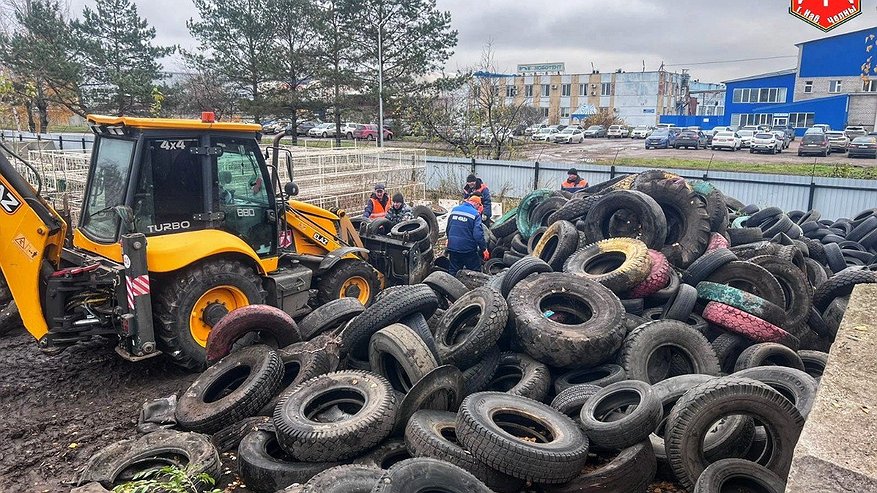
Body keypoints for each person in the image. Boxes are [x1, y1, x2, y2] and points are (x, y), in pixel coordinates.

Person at [446, 196, 488, 275]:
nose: (478, 208)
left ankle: (450, 286)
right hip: (467, 249)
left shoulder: (455, 210)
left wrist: (449, 239)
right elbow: (478, 234)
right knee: (475, 272)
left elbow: (448, 227)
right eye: (479, 206)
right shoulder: (475, 214)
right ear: (476, 204)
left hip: (453, 246)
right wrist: (484, 249)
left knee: (453, 271)